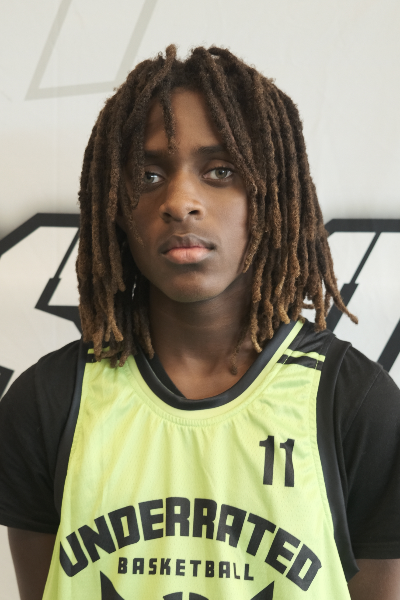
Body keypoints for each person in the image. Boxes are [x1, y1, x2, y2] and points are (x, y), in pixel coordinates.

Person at [1, 45, 400, 600]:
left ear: (272, 195)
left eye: (220, 171)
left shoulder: (354, 405)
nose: (181, 200)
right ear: (113, 205)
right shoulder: (48, 403)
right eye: (147, 175)